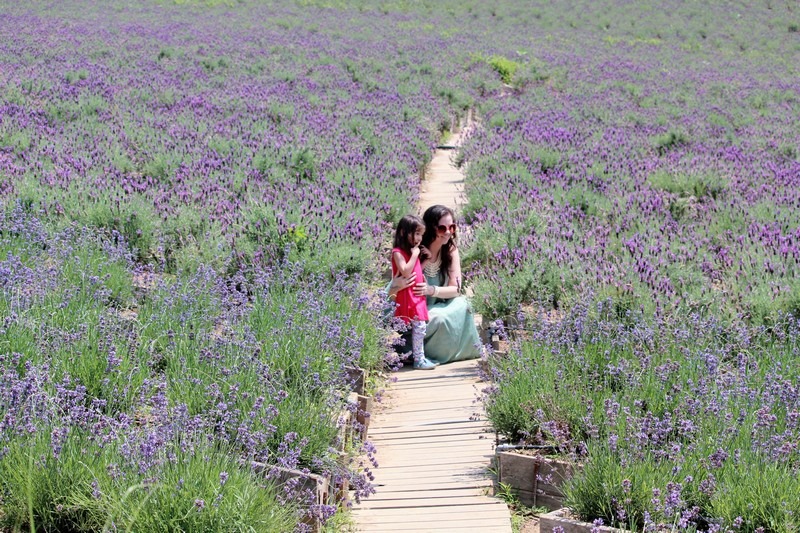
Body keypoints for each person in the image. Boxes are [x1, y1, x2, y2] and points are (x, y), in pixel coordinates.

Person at [388, 205, 482, 364]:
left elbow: (456, 289)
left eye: (451, 227)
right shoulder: (413, 249)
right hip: (414, 310)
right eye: (442, 228)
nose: (448, 232)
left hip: (441, 303)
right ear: (431, 228)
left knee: (464, 305)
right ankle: (417, 353)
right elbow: (392, 289)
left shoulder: (450, 250)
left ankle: (438, 351)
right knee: (436, 319)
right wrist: (397, 284)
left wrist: (431, 290)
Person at [390, 215, 438, 370]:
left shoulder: (411, 253)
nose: (419, 238)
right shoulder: (398, 252)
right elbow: (405, 271)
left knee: (419, 328)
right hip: (407, 297)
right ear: (404, 232)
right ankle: (418, 359)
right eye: (417, 233)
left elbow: (416, 271)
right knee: (415, 328)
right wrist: (416, 254)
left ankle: (419, 357)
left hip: (416, 296)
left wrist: (426, 259)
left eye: (421, 235)